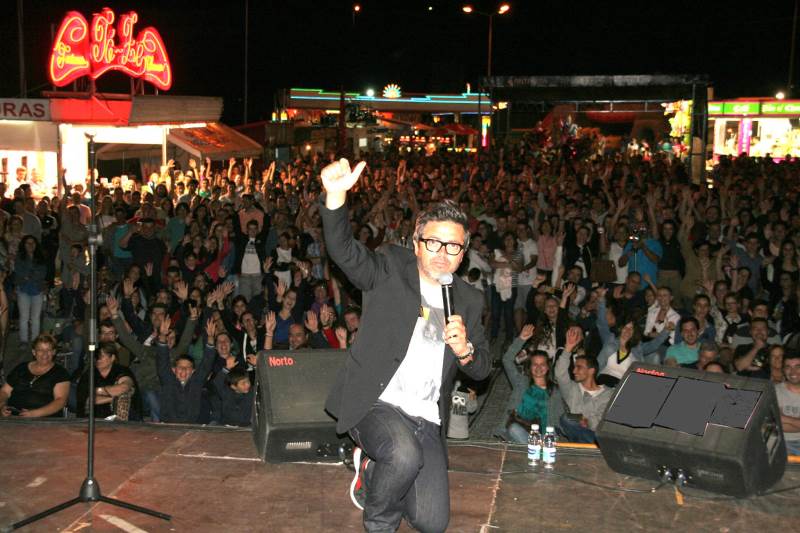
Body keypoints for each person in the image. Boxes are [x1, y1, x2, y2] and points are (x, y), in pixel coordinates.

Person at [320, 159, 490, 533]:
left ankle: (373, 470)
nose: (442, 252)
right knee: (402, 454)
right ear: (415, 243)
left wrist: (466, 351)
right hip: (377, 402)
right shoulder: (389, 267)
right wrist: (335, 196)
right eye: (433, 242)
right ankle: (378, 520)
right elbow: (344, 251)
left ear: (464, 253)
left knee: (432, 522)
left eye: (453, 246)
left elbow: (482, 368)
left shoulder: (470, 300)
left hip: (426, 418)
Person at [554, 326, 613, 443]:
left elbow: (603, 421)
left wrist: (587, 421)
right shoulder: (572, 389)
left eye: (579, 367)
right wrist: (568, 349)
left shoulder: (608, 393)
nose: (574, 371)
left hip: (595, 436)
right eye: (574, 367)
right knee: (566, 419)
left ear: (591, 370)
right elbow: (560, 373)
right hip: (578, 433)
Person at [0, 334, 70, 417]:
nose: (45, 354)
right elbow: (4, 391)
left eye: (49, 350)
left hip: (44, 420)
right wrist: (1, 406)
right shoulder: (21, 368)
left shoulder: (60, 373)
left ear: (54, 352)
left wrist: (34, 413)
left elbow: (60, 401)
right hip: (14, 416)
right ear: (34, 352)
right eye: (40, 350)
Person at [76, 342, 141, 420]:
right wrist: (114, 398)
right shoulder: (89, 374)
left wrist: (99, 390)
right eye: (96, 357)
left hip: (118, 416)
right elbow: (89, 399)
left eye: (102, 356)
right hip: (92, 418)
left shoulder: (121, 370)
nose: (98, 360)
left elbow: (125, 387)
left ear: (112, 358)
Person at [775, 352, 800, 455]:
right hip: (782, 442)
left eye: (798, 367)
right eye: (788, 367)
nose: (793, 372)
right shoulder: (775, 391)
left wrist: (784, 418)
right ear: (783, 370)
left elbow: (779, 419)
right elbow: (776, 424)